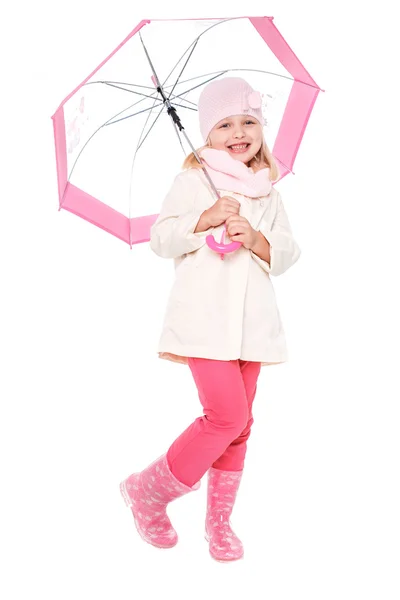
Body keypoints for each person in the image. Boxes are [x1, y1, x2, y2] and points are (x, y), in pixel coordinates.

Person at [120, 77, 301, 562]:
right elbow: (161, 240)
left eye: (249, 121)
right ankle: (148, 491)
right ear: (206, 133)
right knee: (226, 415)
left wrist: (255, 239)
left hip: (253, 325)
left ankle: (219, 522)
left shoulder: (269, 193)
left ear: (262, 129)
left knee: (241, 426)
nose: (238, 132)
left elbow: (287, 252)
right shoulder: (191, 182)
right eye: (225, 124)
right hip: (206, 320)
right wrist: (205, 218)